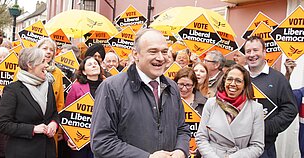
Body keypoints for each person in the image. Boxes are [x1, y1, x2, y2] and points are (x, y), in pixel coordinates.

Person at [90, 29, 190, 158]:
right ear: (136, 54)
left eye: (164, 52)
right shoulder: (111, 88)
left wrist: (181, 150)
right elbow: (101, 142)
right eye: (153, 51)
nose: (160, 58)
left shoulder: (172, 87)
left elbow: (182, 128)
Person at [0, 47, 59, 158]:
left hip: (48, 151)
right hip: (22, 152)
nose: (46, 65)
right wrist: (32, 129)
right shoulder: (13, 90)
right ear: (30, 65)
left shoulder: (48, 86)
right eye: (42, 61)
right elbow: (2, 124)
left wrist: (54, 123)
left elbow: (53, 112)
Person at [243, 36, 297, 158]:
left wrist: (265, 128)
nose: (252, 55)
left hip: (265, 148)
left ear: (264, 52)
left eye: (255, 50)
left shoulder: (278, 79)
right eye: (248, 51)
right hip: (235, 146)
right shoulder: (237, 75)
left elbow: (290, 109)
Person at [196, 64, 265, 157]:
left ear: (245, 84)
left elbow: (257, 146)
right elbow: (201, 138)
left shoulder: (256, 109)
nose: (232, 84)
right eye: (229, 79)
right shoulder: (211, 103)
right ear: (224, 81)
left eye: (238, 81)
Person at [65, 56, 105, 158]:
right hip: (80, 139)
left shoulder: (108, 85)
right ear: (83, 71)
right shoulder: (76, 87)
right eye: (90, 64)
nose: (94, 65)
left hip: (102, 138)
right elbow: (67, 114)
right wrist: (69, 138)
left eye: (96, 63)